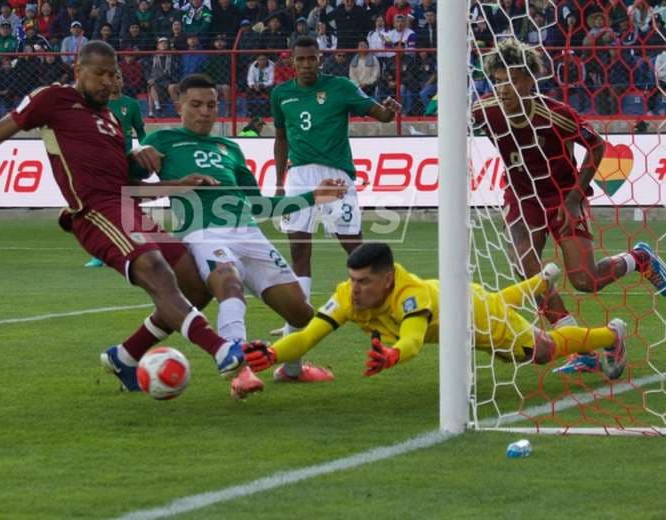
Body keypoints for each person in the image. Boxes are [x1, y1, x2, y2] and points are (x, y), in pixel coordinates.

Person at [0, 41, 248, 393]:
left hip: (127, 209)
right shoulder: (52, 99)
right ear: (78, 71)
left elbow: (126, 186)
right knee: (156, 269)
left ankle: (126, 356)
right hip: (93, 211)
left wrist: (177, 184)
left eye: (111, 75)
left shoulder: (112, 121)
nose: (106, 82)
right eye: (98, 74)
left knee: (193, 279)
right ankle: (222, 349)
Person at [139, 74, 343, 399]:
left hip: (249, 233)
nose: (205, 112)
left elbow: (257, 203)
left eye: (211, 105)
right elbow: (133, 188)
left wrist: (312, 196)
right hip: (203, 232)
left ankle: (291, 370)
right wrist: (139, 156)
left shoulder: (229, 148)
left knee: (302, 313)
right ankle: (239, 368)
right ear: (179, 105)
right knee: (228, 282)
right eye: (196, 105)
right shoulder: (161, 141)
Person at [473, 38, 666, 370]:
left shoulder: (557, 115)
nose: (504, 87)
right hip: (522, 198)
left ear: (530, 79)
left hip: (563, 196)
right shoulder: (483, 111)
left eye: (513, 79)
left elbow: (597, 147)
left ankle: (640, 258)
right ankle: (582, 346)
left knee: (584, 280)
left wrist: (575, 198)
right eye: (499, 80)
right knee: (525, 270)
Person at [244, 243, 628, 383]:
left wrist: (393, 354)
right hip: (459, 298)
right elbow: (308, 334)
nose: (354, 289)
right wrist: (276, 353)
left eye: (363, 282)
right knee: (502, 300)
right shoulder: (348, 296)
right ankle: (540, 281)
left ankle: (611, 335)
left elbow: (411, 339)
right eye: (352, 279)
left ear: (389, 280)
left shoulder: (410, 296)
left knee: (539, 353)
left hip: (473, 317)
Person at [269, 36, 400, 343]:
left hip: (336, 177)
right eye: (300, 59)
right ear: (291, 61)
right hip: (298, 177)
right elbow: (280, 138)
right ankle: (295, 327)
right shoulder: (281, 94)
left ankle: (385, 309)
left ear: (320, 59)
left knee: (354, 248)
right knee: (299, 250)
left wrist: (390, 110)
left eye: (311, 58)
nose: (306, 65)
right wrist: (278, 183)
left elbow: (380, 114)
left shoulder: (340, 87)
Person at [85, 69, 146, 268]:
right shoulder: (96, 105)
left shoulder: (131, 105)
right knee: (104, 208)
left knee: (127, 208)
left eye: (118, 77)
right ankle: (101, 254)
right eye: (112, 77)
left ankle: (134, 248)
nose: (115, 81)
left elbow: (141, 132)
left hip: (125, 163)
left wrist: (145, 151)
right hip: (102, 162)